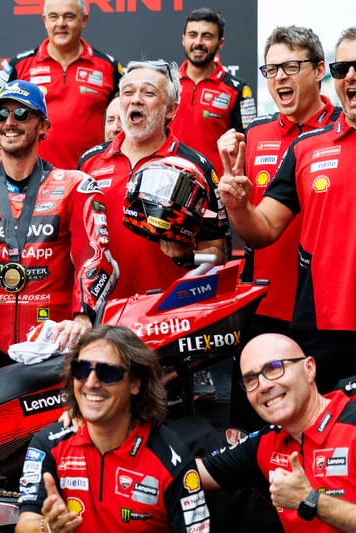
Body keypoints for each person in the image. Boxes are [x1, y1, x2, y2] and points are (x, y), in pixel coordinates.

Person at [0, 80, 117, 355]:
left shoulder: (75, 187)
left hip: (54, 344)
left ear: (43, 126)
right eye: (0, 114)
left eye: (21, 114)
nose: (10, 122)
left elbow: (96, 259)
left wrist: (82, 318)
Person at [217, 27, 356, 394]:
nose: (351, 76)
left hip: (319, 315)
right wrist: (237, 203)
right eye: (343, 69)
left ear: (317, 70)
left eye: (291, 67)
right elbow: (263, 227)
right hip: (315, 319)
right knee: (295, 419)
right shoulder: (304, 145)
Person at [16, 325, 211, 532]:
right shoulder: (48, 444)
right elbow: (25, 524)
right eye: (81, 370)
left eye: (108, 373)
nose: (91, 383)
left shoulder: (171, 458)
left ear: (135, 384)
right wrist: (47, 528)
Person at [78, 60, 228, 298]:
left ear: (171, 110)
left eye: (149, 93)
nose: (136, 99)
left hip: (167, 311)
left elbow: (217, 251)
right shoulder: (89, 162)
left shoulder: (196, 168)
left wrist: (187, 255)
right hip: (102, 309)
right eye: (128, 92)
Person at [198, 333, 356, 532]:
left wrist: (310, 500)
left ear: (309, 369)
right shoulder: (266, 442)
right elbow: (187, 474)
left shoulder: (352, 424)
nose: (264, 386)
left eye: (274, 368)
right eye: (250, 379)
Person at [0, 0, 122, 169]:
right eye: (54, 17)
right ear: (45, 20)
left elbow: (124, 123)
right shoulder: (19, 66)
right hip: (33, 176)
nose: (61, 23)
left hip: (91, 174)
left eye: (69, 16)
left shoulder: (109, 67)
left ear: (84, 20)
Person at [170, 8, 256, 175]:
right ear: (183, 39)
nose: (198, 42)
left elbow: (247, 145)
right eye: (193, 35)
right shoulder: (167, 84)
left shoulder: (238, 90)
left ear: (220, 43)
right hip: (169, 181)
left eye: (207, 36)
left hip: (216, 186)